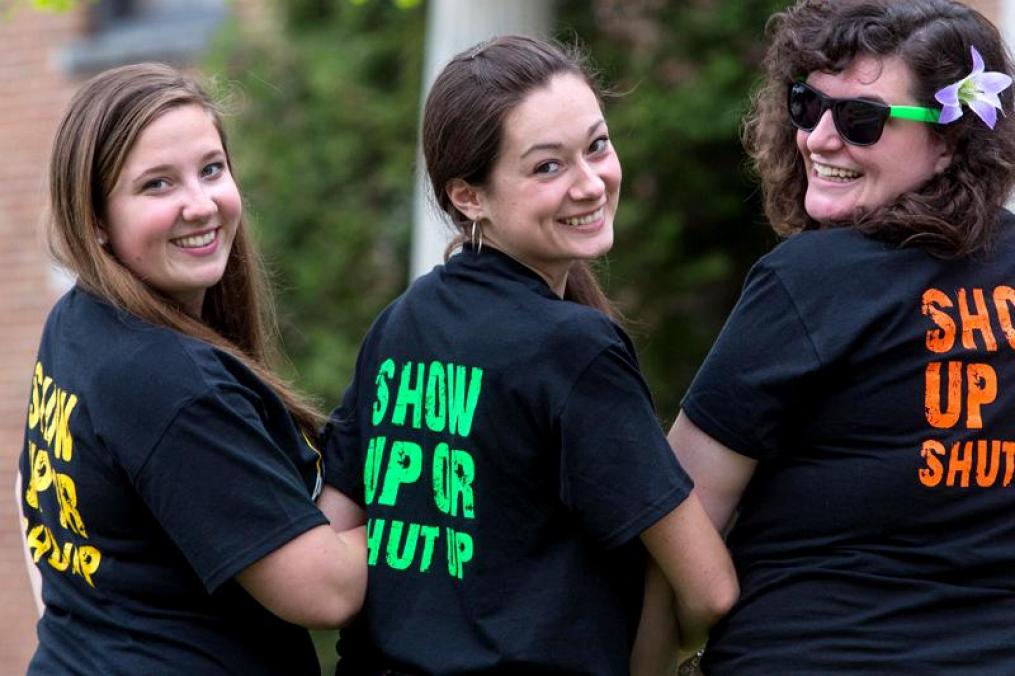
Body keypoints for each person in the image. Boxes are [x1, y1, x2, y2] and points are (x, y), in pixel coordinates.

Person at [317, 35, 737, 675]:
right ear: (469, 197)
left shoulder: (399, 325)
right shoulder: (575, 349)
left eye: (597, 146)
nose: (590, 183)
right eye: (547, 167)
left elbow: (334, 535)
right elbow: (710, 588)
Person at [669, 0, 1015, 672]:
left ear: (949, 143)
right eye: (806, 105)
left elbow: (675, 520)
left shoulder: (806, 279)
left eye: (861, 120)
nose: (820, 139)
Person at [17, 63, 366, 674]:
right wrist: (431, 503)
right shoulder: (168, 383)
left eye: (211, 169)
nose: (201, 205)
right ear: (95, 220)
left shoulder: (77, 322)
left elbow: (33, 506)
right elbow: (327, 592)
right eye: (157, 185)